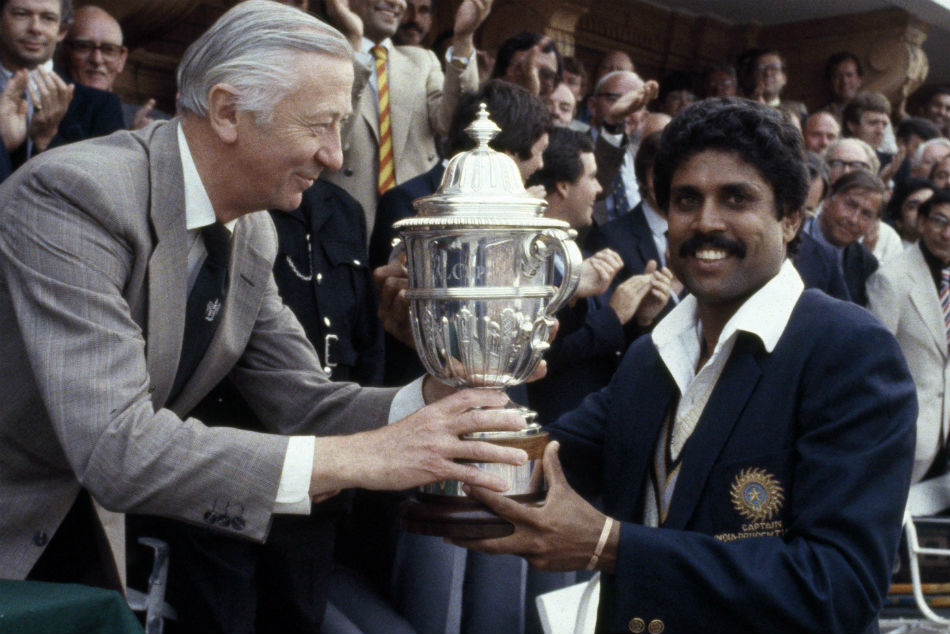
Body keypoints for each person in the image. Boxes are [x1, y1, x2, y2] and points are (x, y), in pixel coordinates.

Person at [0, 0, 528, 590]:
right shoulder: (74, 196)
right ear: (228, 111)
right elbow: (118, 448)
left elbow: (304, 402)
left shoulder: (252, 232)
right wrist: (363, 457)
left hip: (86, 541)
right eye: (319, 124)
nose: (336, 155)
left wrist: (430, 401)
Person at [455, 97, 917, 634]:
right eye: (686, 200)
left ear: (791, 219)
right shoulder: (652, 355)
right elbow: (537, 463)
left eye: (737, 199)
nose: (706, 222)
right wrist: (449, 372)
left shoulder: (849, 352)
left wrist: (612, 545)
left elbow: (840, 588)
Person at [525, 127, 672, 423]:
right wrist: (613, 316)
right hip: (553, 425)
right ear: (563, 187)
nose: (600, 189)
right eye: (592, 177)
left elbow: (605, 348)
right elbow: (539, 359)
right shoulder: (526, 259)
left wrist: (642, 319)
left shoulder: (577, 250)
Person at [321, 0, 484, 238]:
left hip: (416, 219)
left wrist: (463, 39)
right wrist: (354, 45)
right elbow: (328, 137)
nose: (398, 3)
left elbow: (455, 124)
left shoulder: (422, 60)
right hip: (342, 219)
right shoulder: (323, 57)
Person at [868, 188, 950, 485]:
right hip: (905, 434)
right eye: (940, 221)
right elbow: (875, 365)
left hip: (945, 434)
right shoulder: (891, 279)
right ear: (922, 222)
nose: (947, 233)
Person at [0, 0, 123, 166]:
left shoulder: (101, 106)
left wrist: (46, 141)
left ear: (62, 31)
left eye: (48, 18)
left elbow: (103, 177)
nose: (35, 27)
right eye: (21, 14)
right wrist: (3, 145)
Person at [62, 5, 169, 130]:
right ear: (63, 52)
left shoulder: (159, 123)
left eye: (109, 50)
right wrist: (131, 139)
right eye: (84, 46)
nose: (97, 60)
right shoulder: (48, 113)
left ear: (122, 59)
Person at [803, 169, 885, 305]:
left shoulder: (866, 264)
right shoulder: (795, 238)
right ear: (828, 198)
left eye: (866, 214)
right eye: (850, 206)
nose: (854, 219)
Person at [886, 178, 935, 248]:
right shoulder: (890, 251)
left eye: (929, 206)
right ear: (899, 221)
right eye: (913, 207)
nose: (924, 211)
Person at [821, 51, 862, 122]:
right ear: (830, 82)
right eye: (838, 76)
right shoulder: (822, 118)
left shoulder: (874, 113)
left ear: (859, 80)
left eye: (849, 75)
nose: (844, 81)